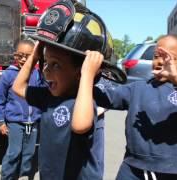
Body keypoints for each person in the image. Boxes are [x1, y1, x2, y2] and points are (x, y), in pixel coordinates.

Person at [12, 1, 126, 179]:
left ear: (79, 72)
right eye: (46, 62)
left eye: (55, 65)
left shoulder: (85, 102)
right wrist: (34, 56)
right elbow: (18, 87)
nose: (46, 70)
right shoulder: (47, 96)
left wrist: (88, 74)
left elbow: (80, 125)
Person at [77, 34, 177, 180]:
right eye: (156, 56)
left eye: (168, 58)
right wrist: (90, 75)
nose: (160, 61)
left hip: (168, 172)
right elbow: (108, 97)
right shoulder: (137, 88)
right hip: (132, 168)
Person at [0, 39, 44, 180]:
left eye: (28, 56)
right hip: (15, 122)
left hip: (32, 122)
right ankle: (7, 176)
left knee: (29, 152)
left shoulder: (38, 74)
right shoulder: (8, 74)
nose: (23, 59)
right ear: (15, 55)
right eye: (19, 55)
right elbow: (0, 100)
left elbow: (43, 94)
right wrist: (0, 122)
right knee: (14, 152)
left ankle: (24, 175)